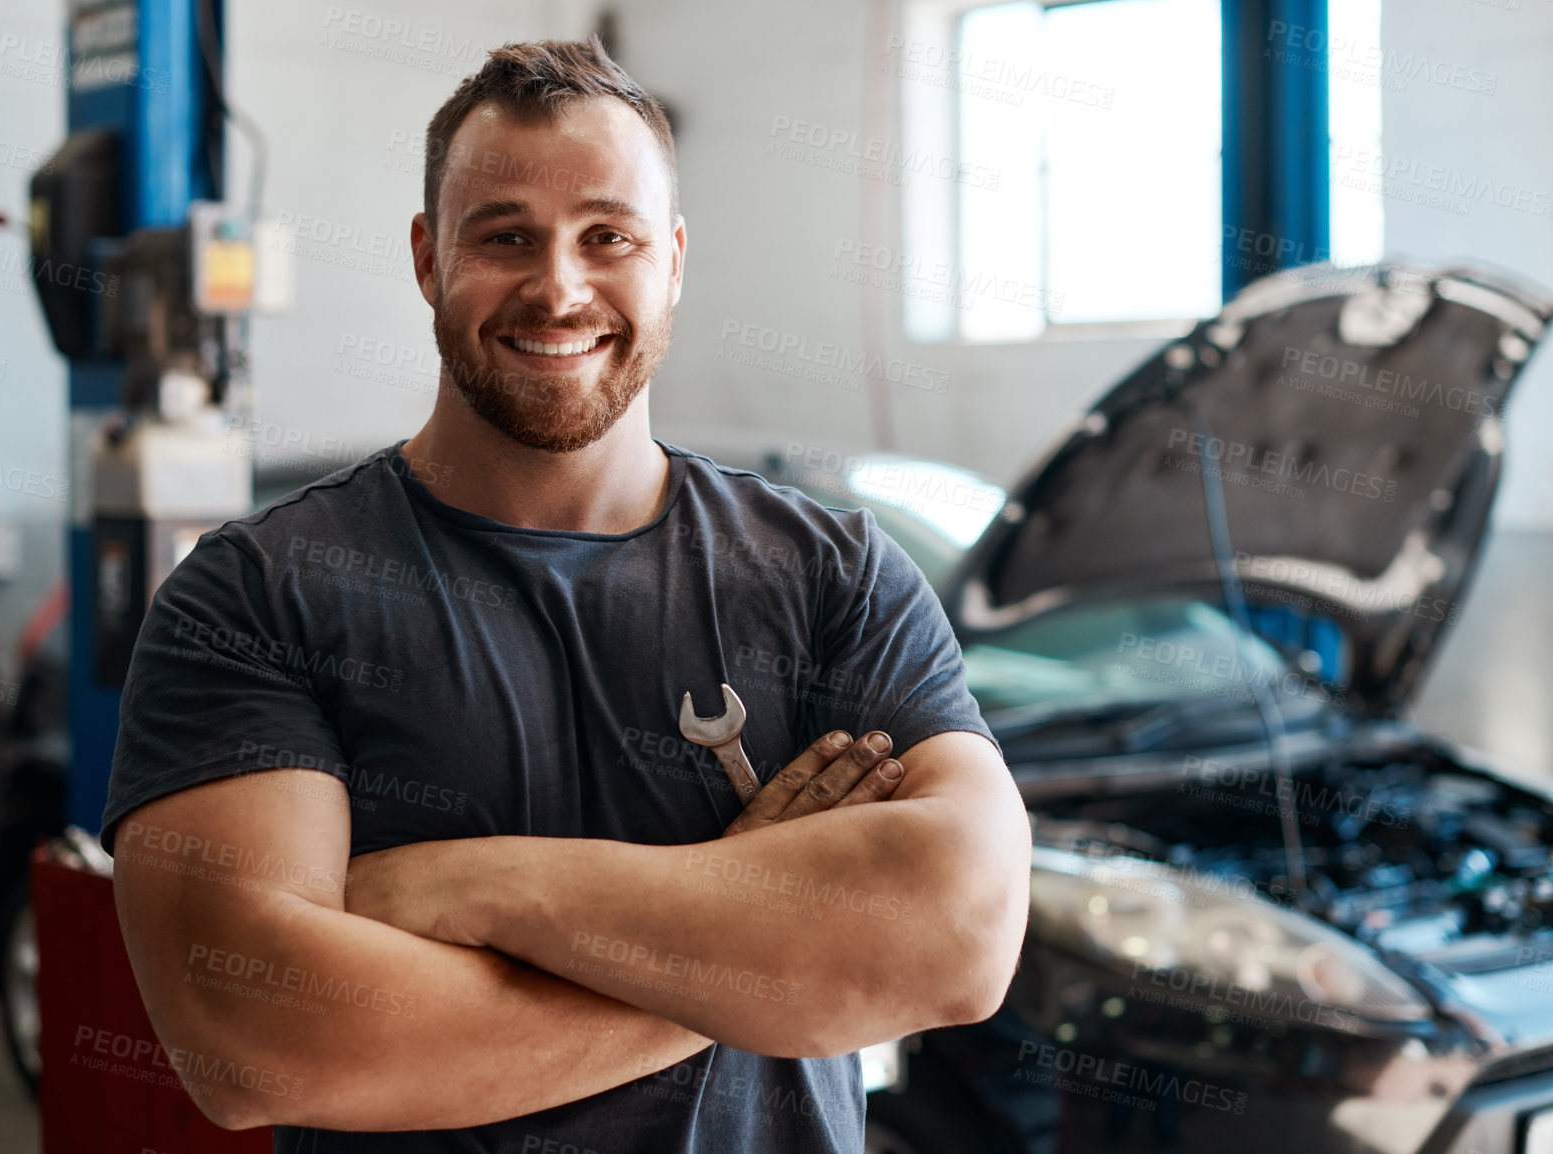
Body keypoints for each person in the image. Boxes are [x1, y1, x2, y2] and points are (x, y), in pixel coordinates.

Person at [104, 36, 1030, 1154]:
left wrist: (472, 887)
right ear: (426, 259)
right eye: (505, 236)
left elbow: (959, 942)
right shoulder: (256, 595)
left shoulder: (832, 577)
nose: (558, 285)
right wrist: (764, 953)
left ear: (673, 259)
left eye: (609, 236)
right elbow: (252, 1039)